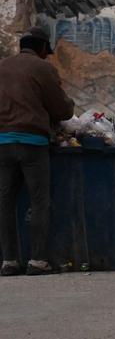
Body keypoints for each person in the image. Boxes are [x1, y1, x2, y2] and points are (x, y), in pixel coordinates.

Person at [0, 27, 73, 277]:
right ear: (42, 48)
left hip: (3, 144)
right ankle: (38, 260)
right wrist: (68, 105)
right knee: (39, 201)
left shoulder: (2, 66)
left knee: (5, 203)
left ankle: (9, 261)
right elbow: (62, 110)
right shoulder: (43, 69)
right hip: (33, 144)